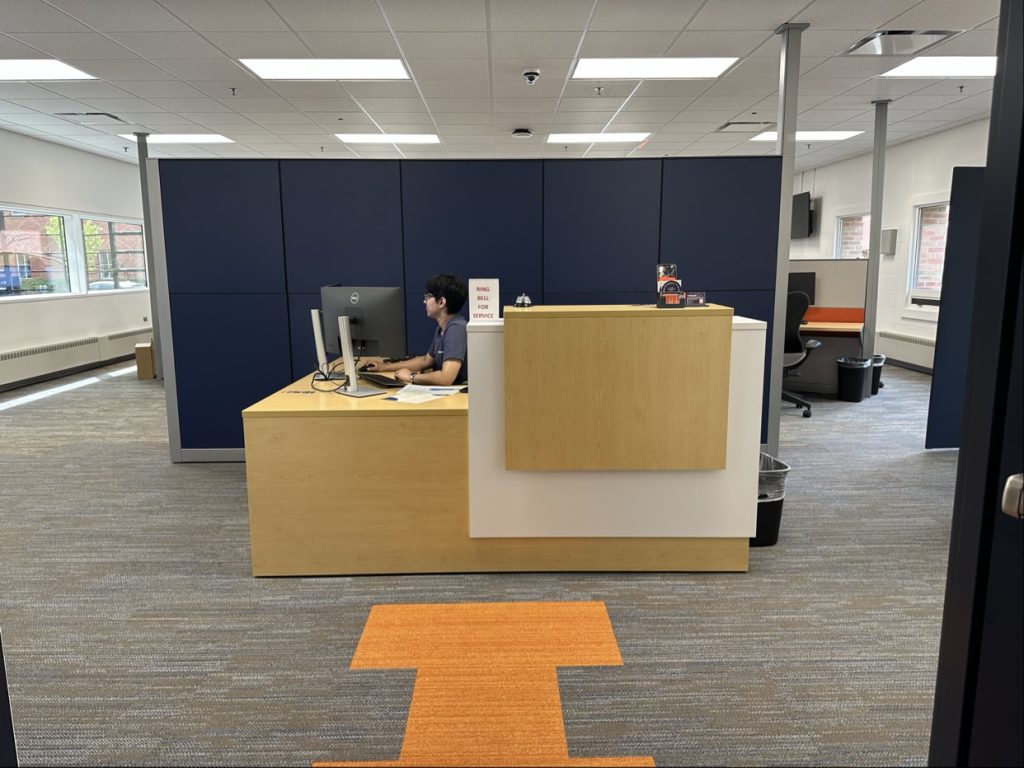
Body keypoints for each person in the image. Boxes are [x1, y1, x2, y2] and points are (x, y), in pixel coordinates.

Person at [366, 273, 468, 385]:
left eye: (428, 297)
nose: (424, 301)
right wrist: (384, 367)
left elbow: (446, 378)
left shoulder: (456, 329)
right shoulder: (442, 327)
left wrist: (411, 376)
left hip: (457, 396)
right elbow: (426, 360)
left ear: (441, 302)